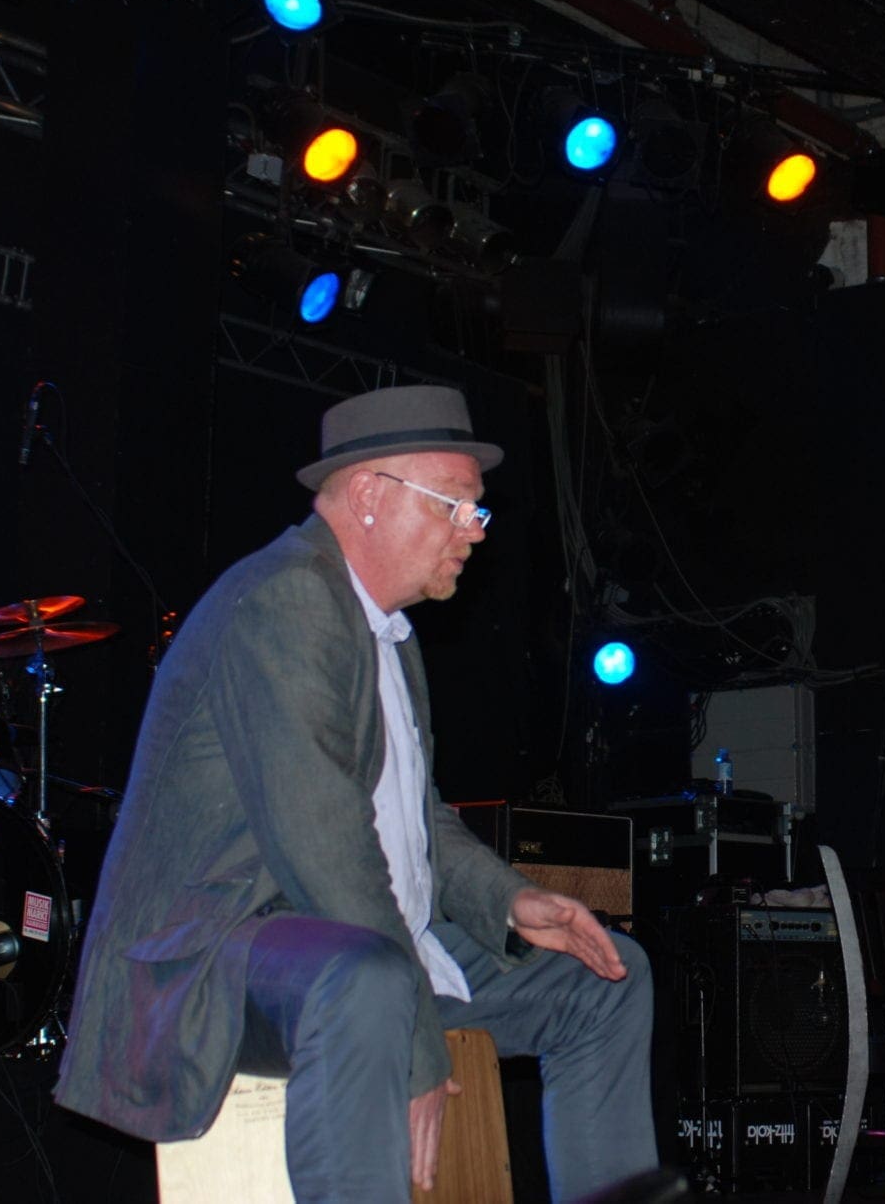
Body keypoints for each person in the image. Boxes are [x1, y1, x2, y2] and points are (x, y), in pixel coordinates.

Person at [55, 385, 656, 1204]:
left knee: (606, 977)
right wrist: (418, 1042)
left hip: (369, 952)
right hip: (218, 957)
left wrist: (511, 900)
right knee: (368, 980)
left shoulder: (387, 632)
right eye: (455, 505)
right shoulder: (285, 599)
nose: (475, 531)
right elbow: (326, 845)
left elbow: (415, 816)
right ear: (371, 494)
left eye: (478, 510)